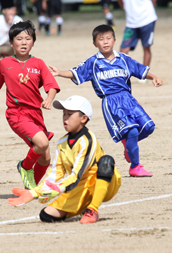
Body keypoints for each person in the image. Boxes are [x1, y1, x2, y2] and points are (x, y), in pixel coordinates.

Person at [49, 24, 163, 177]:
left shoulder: (123, 58)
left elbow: (140, 70)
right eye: (101, 39)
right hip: (111, 103)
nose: (105, 42)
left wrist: (153, 77)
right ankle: (135, 167)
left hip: (128, 99)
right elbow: (76, 73)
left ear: (115, 40)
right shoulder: (93, 62)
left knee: (148, 127)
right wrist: (60, 73)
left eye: (108, 38)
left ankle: (129, 142)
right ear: (95, 44)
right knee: (133, 131)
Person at [8, 95, 121, 224]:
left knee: (106, 161)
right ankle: (83, 206)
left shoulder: (87, 140)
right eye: (64, 114)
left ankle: (93, 209)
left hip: (103, 185)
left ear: (83, 118)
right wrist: (34, 192)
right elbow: (55, 174)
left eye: (70, 114)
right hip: (79, 187)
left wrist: (59, 189)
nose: (65, 118)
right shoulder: (62, 142)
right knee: (46, 215)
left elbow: (77, 175)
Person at [0, 20, 60, 190]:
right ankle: (24, 167)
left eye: (28, 39)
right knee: (43, 143)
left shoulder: (38, 64)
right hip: (17, 114)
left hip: (36, 114)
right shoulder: (5, 64)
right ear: (11, 42)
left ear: (33, 42)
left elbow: (51, 86)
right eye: (19, 39)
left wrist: (49, 99)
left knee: (45, 158)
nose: (23, 42)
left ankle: (31, 189)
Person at [115, 0, 157, 68]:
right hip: (131, 23)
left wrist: (148, 11)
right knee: (123, 50)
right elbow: (120, 1)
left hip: (147, 19)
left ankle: (144, 73)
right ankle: (123, 74)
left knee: (146, 47)